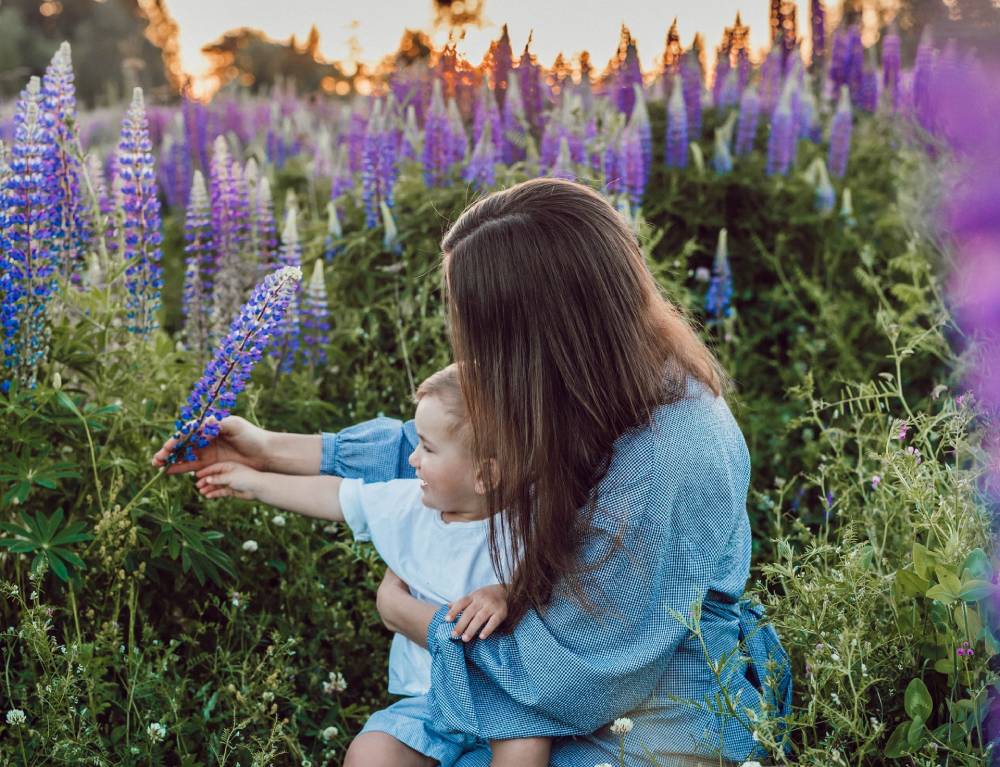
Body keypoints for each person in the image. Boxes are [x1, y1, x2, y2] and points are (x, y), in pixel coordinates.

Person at [154, 177, 792, 767]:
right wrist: (263, 449)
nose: (464, 343)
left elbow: (577, 677)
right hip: (555, 671)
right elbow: (450, 446)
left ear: (540, 333)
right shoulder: (596, 382)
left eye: (476, 329)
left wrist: (414, 619)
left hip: (656, 706)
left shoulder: (671, 454)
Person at [182, 365, 550, 767]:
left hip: (508, 700)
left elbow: (557, 584)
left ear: (485, 474)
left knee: (526, 748)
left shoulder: (529, 522)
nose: (411, 457)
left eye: (426, 448)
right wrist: (251, 482)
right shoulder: (410, 504)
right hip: (430, 699)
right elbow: (336, 496)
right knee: (371, 752)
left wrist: (506, 593)